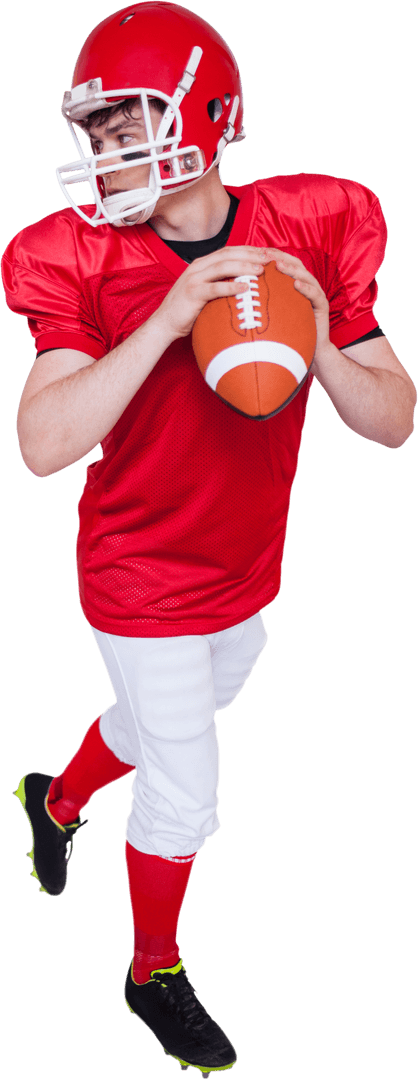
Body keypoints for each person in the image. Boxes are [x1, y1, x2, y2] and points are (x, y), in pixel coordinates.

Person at [2, 2, 416, 1077]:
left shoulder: (312, 222)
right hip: (136, 570)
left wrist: (319, 335)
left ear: (208, 115)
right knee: (186, 784)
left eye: (128, 123)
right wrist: (170, 315)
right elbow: (43, 446)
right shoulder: (81, 259)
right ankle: (150, 971)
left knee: (204, 689)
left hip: (241, 563)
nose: (105, 152)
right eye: (96, 133)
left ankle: (54, 800)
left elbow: (391, 423)